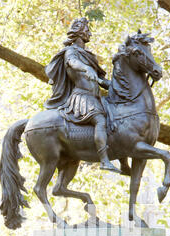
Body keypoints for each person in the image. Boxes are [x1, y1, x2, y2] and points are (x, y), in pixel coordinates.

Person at [44, 17, 121, 173]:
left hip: (97, 97)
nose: (89, 34)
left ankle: (124, 162)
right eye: (86, 30)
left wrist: (113, 85)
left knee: (119, 121)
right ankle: (104, 160)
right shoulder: (71, 52)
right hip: (82, 97)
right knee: (100, 120)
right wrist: (86, 69)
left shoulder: (89, 55)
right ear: (78, 32)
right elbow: (73, 63)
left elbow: (100, 79)